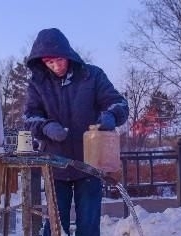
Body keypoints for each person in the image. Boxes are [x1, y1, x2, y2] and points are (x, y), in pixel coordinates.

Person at [23, 28, 129, 236]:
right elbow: (29, 117)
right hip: (55, 166)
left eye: (59, 60)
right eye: (49, 62)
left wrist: (111, 116)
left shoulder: (92, 75)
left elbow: (119, 103)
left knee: (88, 227)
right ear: (42, 62)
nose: (56, 66)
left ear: (68, 54)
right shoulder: (38, 84)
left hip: (90, 165)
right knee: (54, 227)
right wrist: (45, 127)